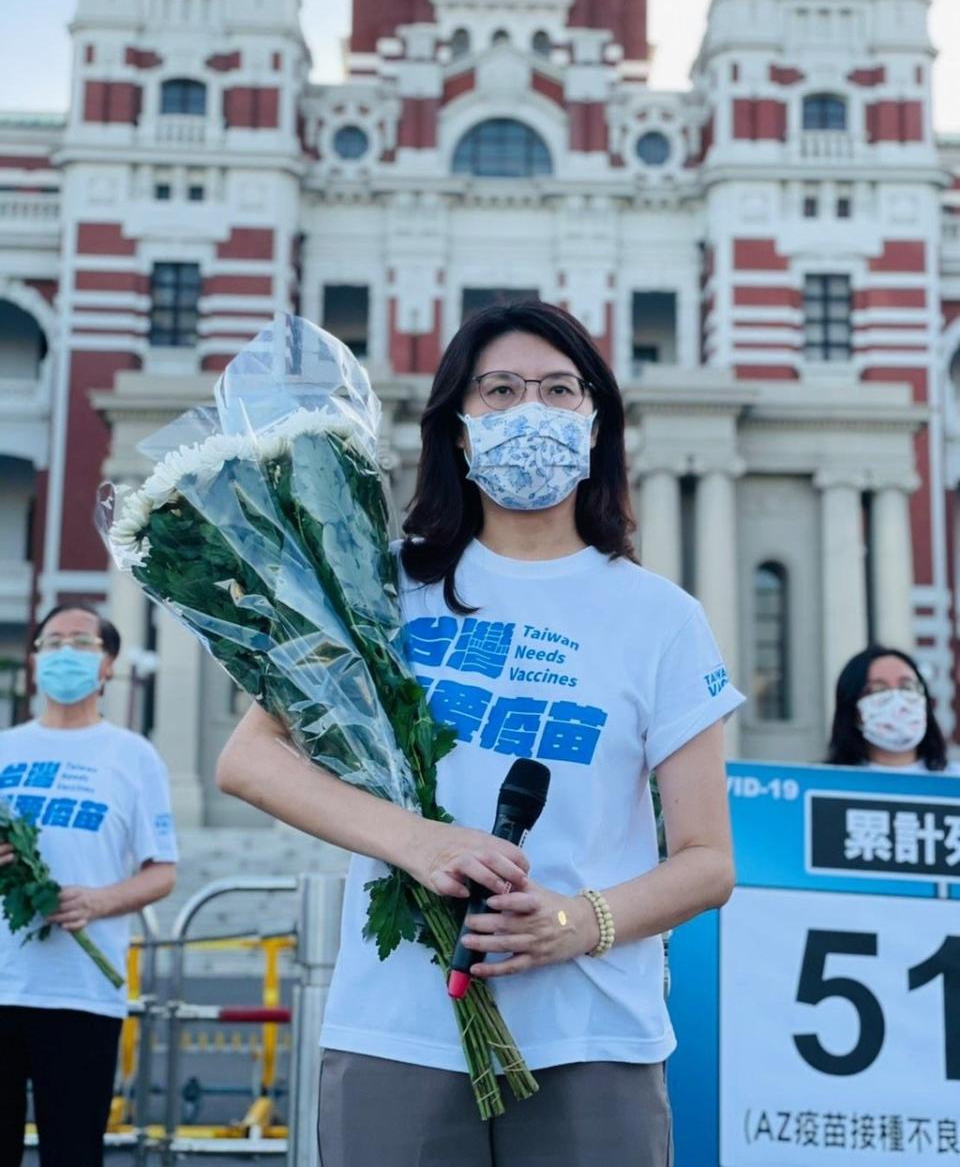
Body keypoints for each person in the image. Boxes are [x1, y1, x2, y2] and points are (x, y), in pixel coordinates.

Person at [217, 300, 744, 1167]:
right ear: (458, 430)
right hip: (398, 1026)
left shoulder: (661, 618)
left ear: (595, 420)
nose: (530, 410)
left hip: (592, 1036)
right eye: (499, 390)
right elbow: (250, 758)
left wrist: (580, 921)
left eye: (558, 389)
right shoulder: (385, 590)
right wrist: (419, 843)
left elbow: (706, 860)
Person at [0, 603, 178, 1167]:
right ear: (33, 664)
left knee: (72, 1152)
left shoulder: (133, 757)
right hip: (2, 985)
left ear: (107, 666)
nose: (63, 654)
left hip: (82, 992)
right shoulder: (5, 749)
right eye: (50, 643)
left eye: (80, 642)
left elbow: (163, 871)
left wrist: (98, 901)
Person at [826, 644, 960, 773]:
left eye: (907, 687)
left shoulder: (953, 782)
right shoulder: (826, 783)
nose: (897, 700)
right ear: (853, 710)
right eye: (878, 689)